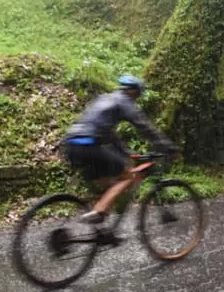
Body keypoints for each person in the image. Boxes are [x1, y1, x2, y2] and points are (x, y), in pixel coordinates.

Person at [61, 74, 178, 224]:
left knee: (107, 183)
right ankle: (99, 211)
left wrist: (127, 153)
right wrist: (167, 146)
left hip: (71, 144)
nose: (136, 99)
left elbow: (109, 134)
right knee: (127, 176)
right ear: (133, 92)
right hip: (88, 144)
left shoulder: (104, 98)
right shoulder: (124, 101)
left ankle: (100, 229)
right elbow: (145, 127)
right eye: (137, 95)